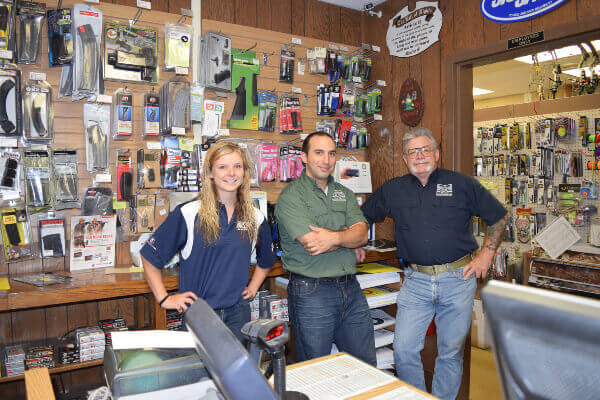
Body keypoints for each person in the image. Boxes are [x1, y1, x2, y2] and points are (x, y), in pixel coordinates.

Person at [361, 127, 508, 400]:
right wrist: (357, 242)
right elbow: (363, 217)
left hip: (458, 280)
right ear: (405, 158)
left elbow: (498, 217)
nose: (419, 155)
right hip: (415, 282)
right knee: (403, 349)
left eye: (425, 149)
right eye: (412, 151)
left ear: (437, 154)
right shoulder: (393, 189)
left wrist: (486, 254)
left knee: (450, 353)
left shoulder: (462, 184)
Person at [140, 141, 275, 343]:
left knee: (235, 374)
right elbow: (149, 256)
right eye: (223, 167)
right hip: (200, 312)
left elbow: (266, 260)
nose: (231, 172)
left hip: (238, 314)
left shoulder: (255, 217)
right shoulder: (189, 213)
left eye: (237, 166)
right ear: (210, 173)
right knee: (201, 373)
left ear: (245, 172)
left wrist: (254, 287)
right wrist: (165, 298)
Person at [275, 131, 376, 365]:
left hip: (351, 289)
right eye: (318, 153)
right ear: (304, 157)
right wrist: (346, 239)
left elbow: (361, 235)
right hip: (312, 292)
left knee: (365, 365)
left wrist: (335, 238)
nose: (326, 160)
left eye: (331, 154)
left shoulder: (345, 193)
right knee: (315, 368)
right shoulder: (291, 196)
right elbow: (313, 243)